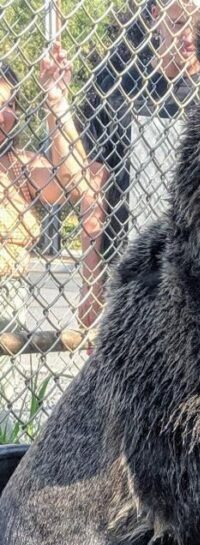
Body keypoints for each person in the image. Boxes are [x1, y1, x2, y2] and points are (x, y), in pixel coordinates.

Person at [83, 0, 200, 322]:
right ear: (156, 17)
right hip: (127, 265)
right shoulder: (115, 82)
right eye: (179, 23)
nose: (189, 36)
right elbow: (93, 184)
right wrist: (90, 277)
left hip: (195, 271)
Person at [0, 46, 103, 335]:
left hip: (8, 317)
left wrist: (56, 101)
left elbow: (73, 181)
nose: (3, 116)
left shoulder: (18, 165)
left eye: (9, 105)